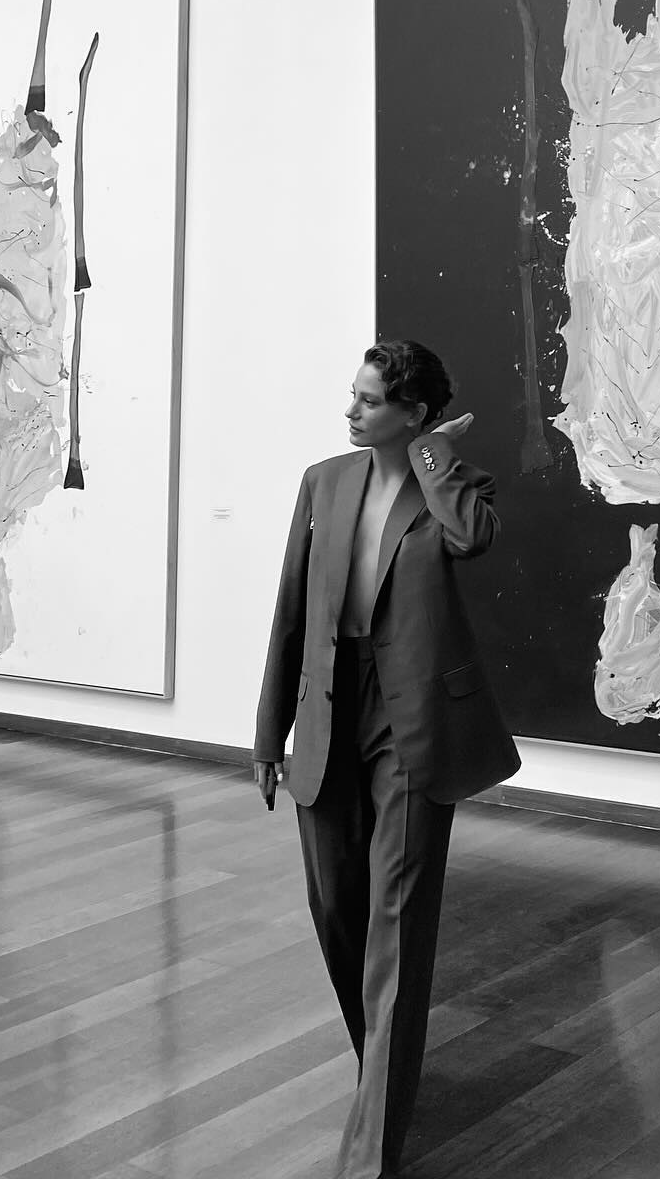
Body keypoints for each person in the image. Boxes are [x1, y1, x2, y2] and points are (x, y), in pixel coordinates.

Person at [254, 339, 520, 1179]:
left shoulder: (456, 486)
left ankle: (371, 1150)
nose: (352, 410)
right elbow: (291, 610)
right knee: (336, 906)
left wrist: (433, 457)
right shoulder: (323, 481)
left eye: (370, 401)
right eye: (355, 394)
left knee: (396, 925)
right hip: (329, 708)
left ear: (414, 413)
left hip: (415, 723)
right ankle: (386, 1069)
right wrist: (268, 733)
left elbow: (471, 539)